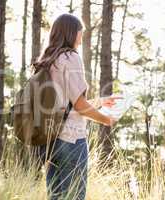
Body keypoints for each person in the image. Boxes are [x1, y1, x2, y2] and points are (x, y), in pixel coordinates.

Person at [33, 14, 118, 200]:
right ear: (71, 33)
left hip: (51, 142)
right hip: (71, 141)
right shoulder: (71, 57)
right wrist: (106, 119)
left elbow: (69, 104)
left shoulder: (48, 60)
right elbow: (79, 106)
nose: (81, 39)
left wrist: (101, 101)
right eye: (80, 33)